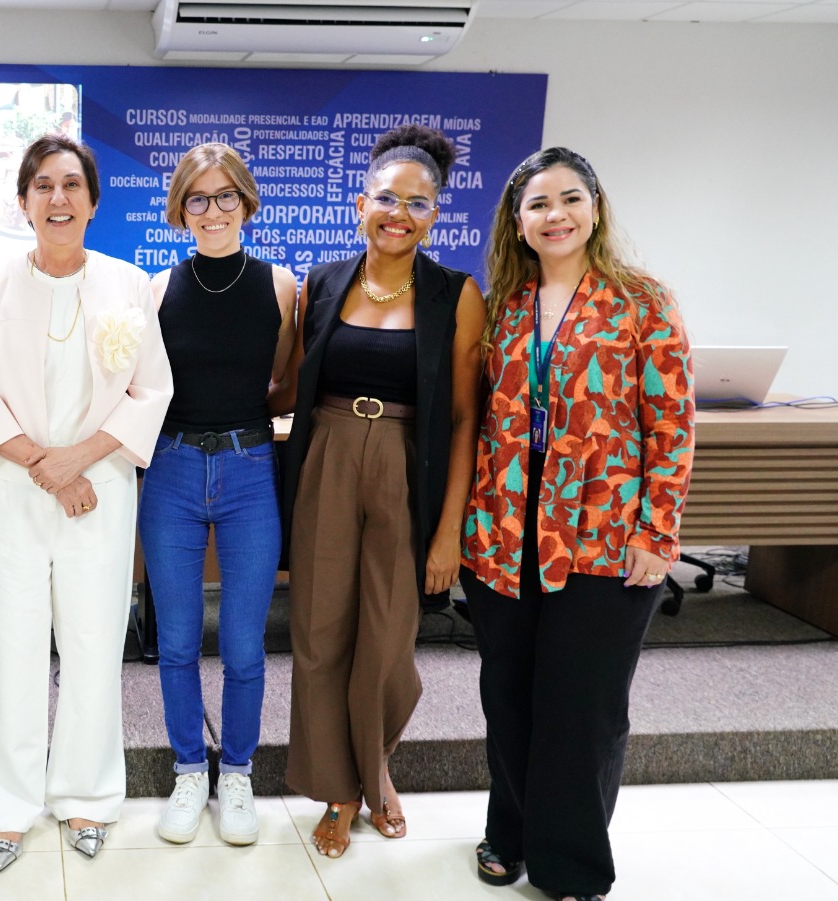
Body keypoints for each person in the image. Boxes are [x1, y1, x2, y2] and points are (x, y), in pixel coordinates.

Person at [460, 147, 693, 901]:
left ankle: (573, 866)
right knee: (509, 699)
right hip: (503, 536)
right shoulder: (502, 304)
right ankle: (510, 834)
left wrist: (657, 532)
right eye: (538, 203)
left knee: (582, 709)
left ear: (595, 208)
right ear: (517, 222)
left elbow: (671, 424)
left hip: (603, 538)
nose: (554, 214)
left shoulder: (641, 300)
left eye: (569, 199)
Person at [0, 133, 173, 873]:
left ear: (94, 202)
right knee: (3, 647)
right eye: (43, 185)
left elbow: (152, 390)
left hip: (97, 491)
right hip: (9, 489)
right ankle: (4, 807)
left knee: (92, 643)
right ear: (23, 201)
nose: (58, 197)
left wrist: (78, 460)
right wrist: (46, 465)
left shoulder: (128, 285)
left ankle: (86, 795)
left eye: (72, 184)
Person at [277, 125, 485, 858]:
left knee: (390, 641)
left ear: (436, 215)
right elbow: (291, 386)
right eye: (388, 199)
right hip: (328, 460)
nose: (400, 214)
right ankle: (341, 789)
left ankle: (377, 765)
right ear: (361, 203)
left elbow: (464, 418)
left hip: (406, 468)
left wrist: (449, 530)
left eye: (418, 203)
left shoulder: (456, 295)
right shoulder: (323, 282)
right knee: (320, 635)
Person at [139, 143, 297, 846]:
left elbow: (284, 380)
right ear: (181, 209)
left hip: (249, 469)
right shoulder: (156, 289)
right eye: (197, 198)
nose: (212, 210)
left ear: (246, 202)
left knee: (241, 643)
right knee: (176, 640)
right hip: (171, 469)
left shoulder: (281, 286)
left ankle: (236, 772)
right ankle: (187, 770)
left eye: (225, 195)